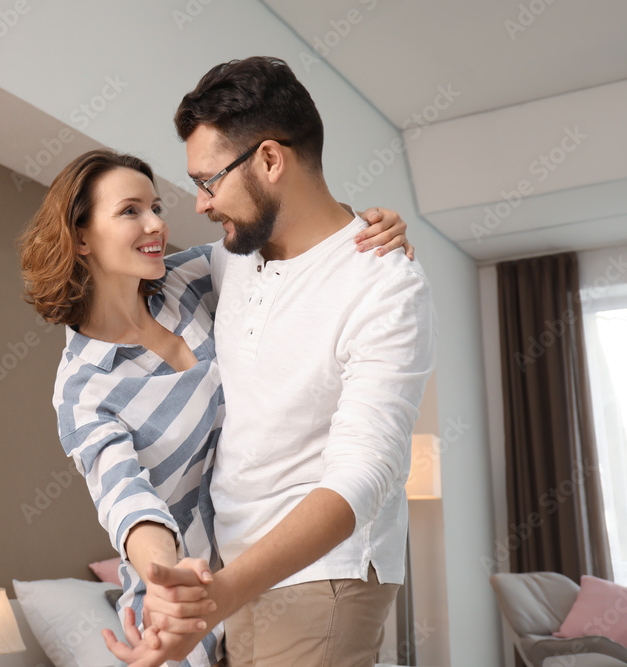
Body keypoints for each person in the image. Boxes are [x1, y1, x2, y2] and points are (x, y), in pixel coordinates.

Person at [18, 147, 415, 667]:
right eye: (130, 210)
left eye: (156, 206)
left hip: (257, 566)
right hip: (181, 600)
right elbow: (124, 497)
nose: (156, 223)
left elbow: (294, 237)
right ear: (82, 236)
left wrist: (366, 223)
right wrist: (166, 574)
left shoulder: (190, 279)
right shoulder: (84, 386)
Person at [104, 56, 437, 667]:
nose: (200, 205)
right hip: (239, 568)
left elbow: (362, 478)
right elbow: (128, 275)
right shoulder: (232, 259)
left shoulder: (384, 284)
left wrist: (220, 595)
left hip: (320, 576)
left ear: (270, 160)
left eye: (208, 181)